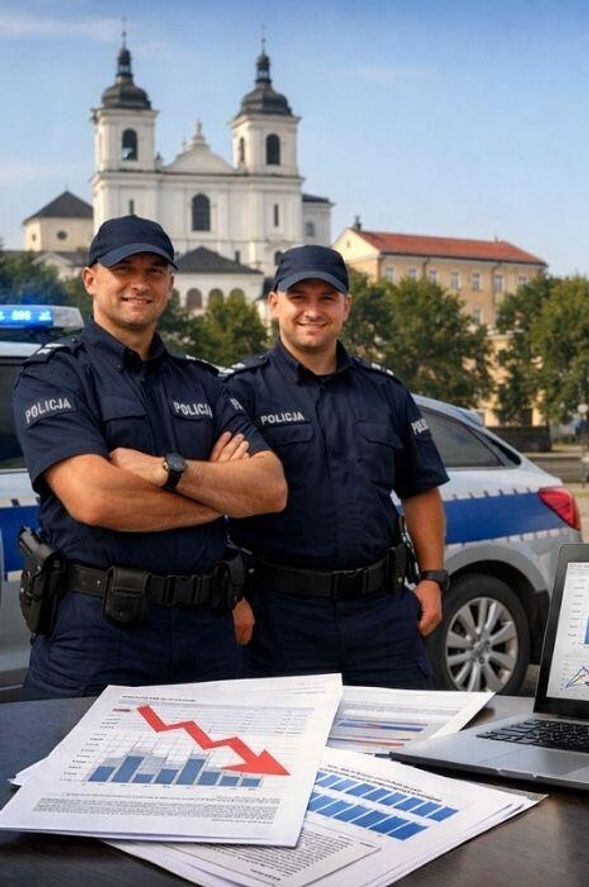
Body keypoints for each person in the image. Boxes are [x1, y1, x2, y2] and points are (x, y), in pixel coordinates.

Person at [11, 215, 287, 699]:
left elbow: (270, 489)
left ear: (171, 284)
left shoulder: (201, 381)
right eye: (125, 269)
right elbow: (96, 499)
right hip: (98, 635)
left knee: (214, 772)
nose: (140, 283)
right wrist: (221, 492)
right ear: (92, 279)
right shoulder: (55, 376)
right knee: (75, 773)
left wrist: (166, 470)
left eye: (155, 271)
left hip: (206, 634)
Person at [224, 245, 449, 688]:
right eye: (298, 298)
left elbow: (420, 489)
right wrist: (229, 597)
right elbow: (211, 501)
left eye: (327, 298)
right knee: (281, 755)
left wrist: (434, 579)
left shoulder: (385, 392)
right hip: (277, 620)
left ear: (346, 306)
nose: (313, 310)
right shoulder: (238, 393)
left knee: (401, 751)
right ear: (274, 305)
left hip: (381, 616)